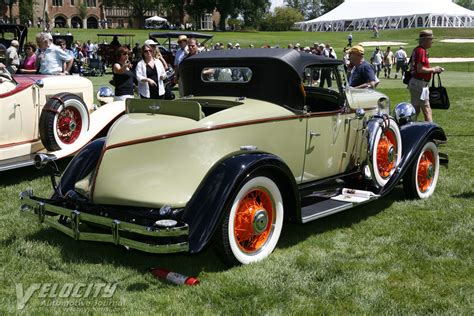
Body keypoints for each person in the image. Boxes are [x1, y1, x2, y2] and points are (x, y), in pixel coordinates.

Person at [408, 29, 444, 122]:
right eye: (431, 39)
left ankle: (409, 129)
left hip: (416, 82)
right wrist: (434, 69)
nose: (432, 41)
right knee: (427, 109)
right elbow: (420, 69)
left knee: (415, 110)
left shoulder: (417, 50)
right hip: (420, 83)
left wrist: (433, 70)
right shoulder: (421, 51)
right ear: (425, 40)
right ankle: (431, 133)